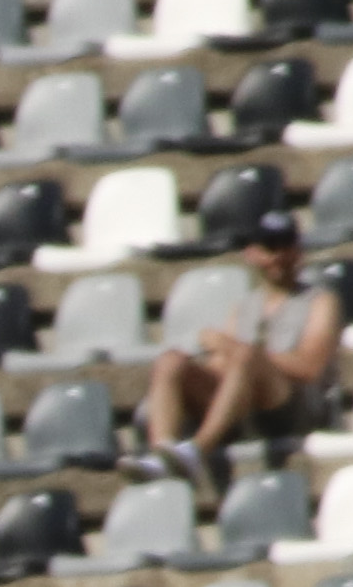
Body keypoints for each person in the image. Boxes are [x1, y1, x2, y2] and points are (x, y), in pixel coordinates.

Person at [139, 208, 341, 499]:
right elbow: (226, 365)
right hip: (249, 405)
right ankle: (162, 454)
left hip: (296, 405)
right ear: (253, 253)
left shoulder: (320, 302)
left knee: (247, 354)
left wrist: (234, 349)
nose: (279, 256)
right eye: (271, 248)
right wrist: (219, 356)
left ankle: (197, 450)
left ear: (298, 251)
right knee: (171, 361)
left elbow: (309, 368)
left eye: (286, 246)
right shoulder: (244, 307)